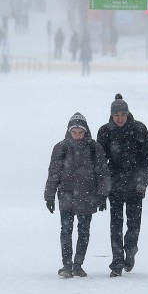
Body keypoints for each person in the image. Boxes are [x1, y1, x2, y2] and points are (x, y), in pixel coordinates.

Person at [45, 112, 111, 278]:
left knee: (84, 231)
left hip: (87, 196)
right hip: (66, 195)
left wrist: (103, 195)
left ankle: (78, 264)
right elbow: (53, 173)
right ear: (69, 131)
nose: (77, 136)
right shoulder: (61, 148)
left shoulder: (94, 148)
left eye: (80, 132)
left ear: (86, 131)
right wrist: (49, 196)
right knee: (66, 230)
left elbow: (102, 173)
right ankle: (67, 265)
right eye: (74, 132)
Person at [97, 94, 148, 277]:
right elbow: (100, 161)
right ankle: (116, 262)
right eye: (117, 115)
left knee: (133, 223)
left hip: (135, 185)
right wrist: (103, 185)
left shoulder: (139, 129)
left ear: (128, 113)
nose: (120, 118)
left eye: (123, 114)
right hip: (114, 185)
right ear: (112, 116)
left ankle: (130, 251)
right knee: (115, 224)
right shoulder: (105, 131)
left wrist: (142, 181)